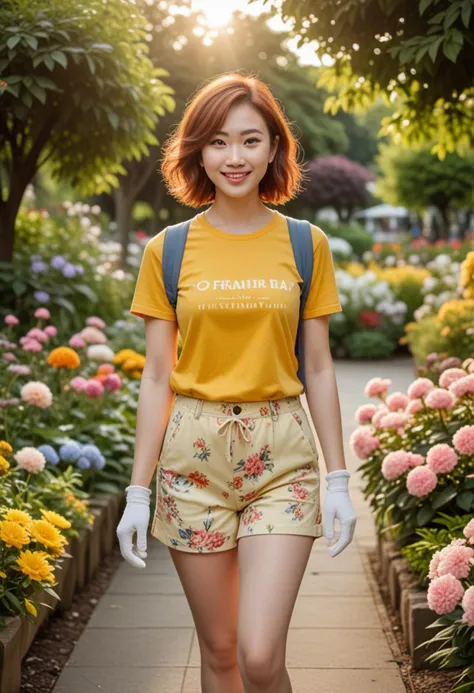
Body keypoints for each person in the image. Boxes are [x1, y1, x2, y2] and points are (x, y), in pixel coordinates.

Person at [116, 72, 357, 693]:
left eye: (251, 141)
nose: (235, 157)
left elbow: (322, 365)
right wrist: (138, 492)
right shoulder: (167, 251)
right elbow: (158, 377)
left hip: (281, 458)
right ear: (198, 150)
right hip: (192, 461)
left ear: (274, 148)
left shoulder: (306, 245)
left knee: (258, 654)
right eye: (219, 142)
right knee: (219, 652)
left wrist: (336, 480)